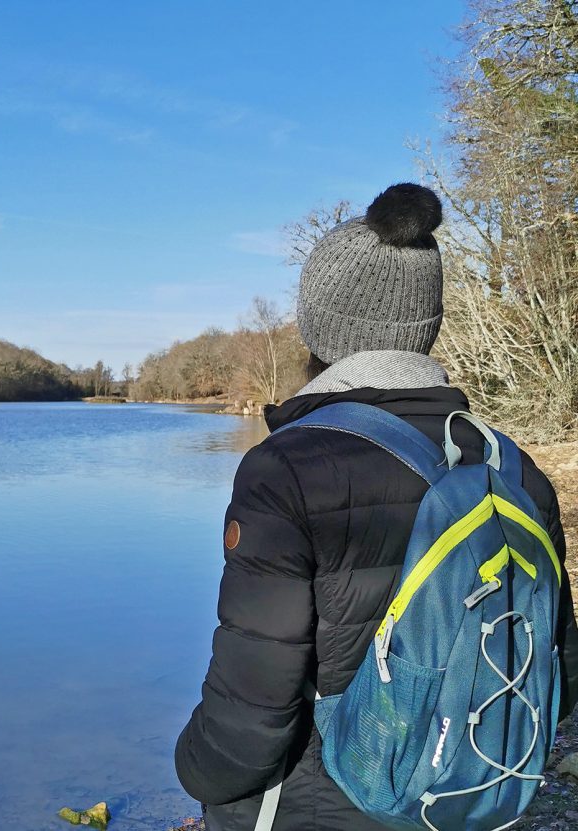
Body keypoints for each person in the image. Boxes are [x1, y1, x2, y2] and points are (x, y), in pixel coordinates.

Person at [174, 183, 578, 831]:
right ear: (427, 323)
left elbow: (254, 703)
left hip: (323, 801)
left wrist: (198, 768)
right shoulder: (511, 467)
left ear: (319, 325)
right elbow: (555, 674)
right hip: (466, 791)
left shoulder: (287, 470)